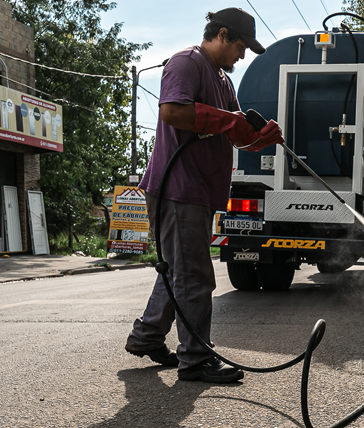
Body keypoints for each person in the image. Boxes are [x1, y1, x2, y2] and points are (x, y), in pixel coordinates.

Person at [125, 8, 284, 384]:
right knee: (194, 276)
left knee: (179, 271)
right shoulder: (186, 63)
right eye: (240, 48)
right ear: (222, 34)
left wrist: (262, 136)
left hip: (198, 189)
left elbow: (233, 134)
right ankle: (196, 360)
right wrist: (232, 121)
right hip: (178, 187)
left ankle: (146, 336)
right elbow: (173, 112)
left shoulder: (224, 82)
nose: (241, 57)